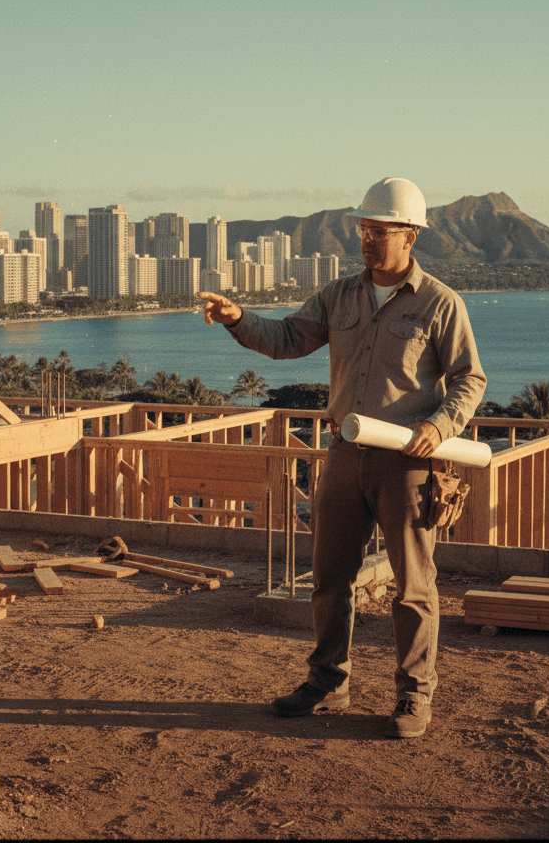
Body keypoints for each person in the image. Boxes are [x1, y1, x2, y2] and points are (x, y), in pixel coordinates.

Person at [198, 176, 486, 738]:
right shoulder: (339, 295)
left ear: (410, 236)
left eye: (380, 230)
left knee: (413, 588)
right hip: (345, 456)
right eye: (364, 229)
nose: (367, 239)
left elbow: (469, 379)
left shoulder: (440, 303)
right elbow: (287, 339)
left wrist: (438, 425)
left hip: (407, 465)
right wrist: (237, 318)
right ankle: (328, 682)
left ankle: (414, 696)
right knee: (330, 580)